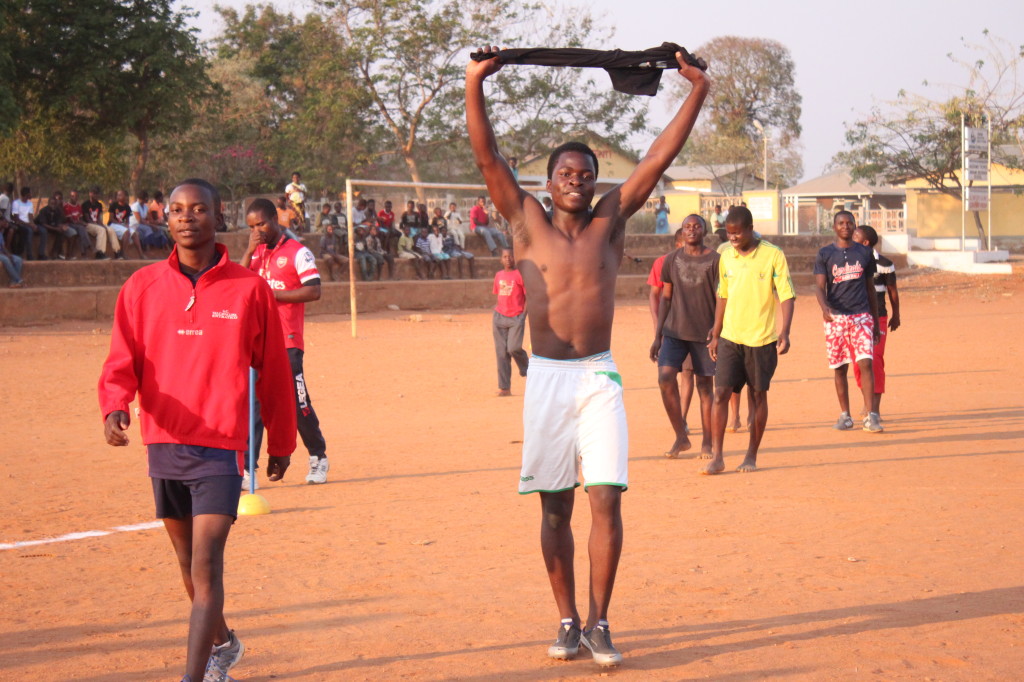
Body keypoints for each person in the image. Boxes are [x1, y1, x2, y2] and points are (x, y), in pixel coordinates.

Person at [467, 44, 709, 666]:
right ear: (548, 183)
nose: (576, 179)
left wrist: (696, 91)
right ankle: (567, 619)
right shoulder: (524, 218)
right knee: (555, 509)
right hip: (547, 377)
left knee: (605, 497)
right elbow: (487, 154)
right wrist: (476, 83)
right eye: (565, 173)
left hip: (598, 377)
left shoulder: (611, 220)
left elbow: (659, 155)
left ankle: (601, 621)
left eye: (585, 172)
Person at [98, 178, 297, 682]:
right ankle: (225, 644)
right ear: (167, 219)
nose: (187, 217)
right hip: (164, 441)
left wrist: (280, 440)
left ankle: (197, 676)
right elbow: (123, 359)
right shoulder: (141, 287)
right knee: (189, 569)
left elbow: (273, 369)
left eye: (199, 209)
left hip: (222, 448)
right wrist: (115, 405)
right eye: (178, 210)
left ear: (218, 215)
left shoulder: (249, 289)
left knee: (207, 566)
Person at [241, 198, 331, 485]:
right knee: (254, 404)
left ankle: (318, 456)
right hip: (258, 342)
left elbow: (314, 291)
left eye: (262, 224)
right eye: (252, 226)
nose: (258, 230)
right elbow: (238, 285)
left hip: (288, 340)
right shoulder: (253, 255)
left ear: (276, 220)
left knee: (296, 400)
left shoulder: (297, 252)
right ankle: (247, 468)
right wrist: (248, 250)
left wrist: (272, 295)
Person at [705, 206, 795, 475]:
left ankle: (751, 455)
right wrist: (716, 331)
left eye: (737, 233)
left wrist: (785, 330)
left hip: (761, 339)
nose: (732, 238)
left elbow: (787, 294)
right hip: (730, 338)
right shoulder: (725, 256)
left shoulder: (773, 255)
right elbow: (723, 294)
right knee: (720, 393)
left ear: (750, 228)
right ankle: (718, 456)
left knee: (757, 396)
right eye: (729, 233)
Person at [650, 215, 719, 459]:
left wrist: (718, 331)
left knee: (704, 387)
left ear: (704, 230)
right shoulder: (671, 260)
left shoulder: (716, 260)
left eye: (697, 226)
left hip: (705, 334)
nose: (692, 230)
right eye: (687, 227)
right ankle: (681, 435)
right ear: (682, 231)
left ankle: (708, 443)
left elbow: (723, 298)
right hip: (674, 332)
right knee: (665, 377)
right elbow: (665, 297)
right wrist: (657, 335)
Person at [813, 211, 882, 432]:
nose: (845, 226)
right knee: (840, 367)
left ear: (855, 226)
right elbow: (819, 287)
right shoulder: (825, 254)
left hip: (861, 315)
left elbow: (870, 287)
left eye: (849, 223)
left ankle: (871, 416)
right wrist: (824, 308)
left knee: (865, 363)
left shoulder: (865, 252)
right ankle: (846, 415)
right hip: (836, 318)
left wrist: (876, 322)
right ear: (834, 227)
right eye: (841, 223)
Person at [646, 227, 695, 441]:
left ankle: (683, 418)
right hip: (670, 328)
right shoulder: (663, 263)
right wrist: (658, 326)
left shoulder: (702, 260)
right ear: (677, 244)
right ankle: (677, 418)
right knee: (667, 375)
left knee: (688, 373)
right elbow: (655, 296)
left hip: (694, 327)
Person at [852, 225, 900, 421]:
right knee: (858, 363)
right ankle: (867, 399)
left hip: (877, 317)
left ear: (865, 243)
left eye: (855, 236)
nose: (850, 236)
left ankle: (875, 409)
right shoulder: (849, 262)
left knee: (876, 361)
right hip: (855, 318)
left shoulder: (885, 264)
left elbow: (893, 291)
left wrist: (896, 315)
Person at [491, 248, 528, 395]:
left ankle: (527, 369)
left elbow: (528, 297)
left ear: (515, 258)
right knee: (501, 353)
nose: (508, 259)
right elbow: (499, 294)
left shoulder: (520, 275)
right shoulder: (498, 275)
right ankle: (504, 387)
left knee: (513, 348)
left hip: (516, 317)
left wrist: (523, 316)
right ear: (501, 259)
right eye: (505, 257)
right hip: (499, 317)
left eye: (510, 256)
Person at [82, 187, 123, 259]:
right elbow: (88, 219)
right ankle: (100, 253)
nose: (96, 195)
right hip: (88, 225)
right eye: (94, 194)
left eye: (97, 194)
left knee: (110, 229)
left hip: (97, 224)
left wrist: (102, 225)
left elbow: (98, 219)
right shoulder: (85, 204)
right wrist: (99, 226)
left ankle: (117, 251)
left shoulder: (99, 205)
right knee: (102, 230)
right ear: (90, 194)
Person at [12, 187, 42, 260]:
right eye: (30, 193)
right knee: (29, 231)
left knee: (43, 231)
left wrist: (33, 225)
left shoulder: (30, 204)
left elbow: (30, 217)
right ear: (27, 194)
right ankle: (29, 255)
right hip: (20, 224)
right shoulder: (16, 203)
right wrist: (30, 225)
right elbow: (16, 219)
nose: (31, 195)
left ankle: (41, 254)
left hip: (28, 224)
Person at [428, 210, 452, 279]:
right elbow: (428, 245)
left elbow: (445, 238)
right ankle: (444, 275)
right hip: (434, 252)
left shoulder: (441, 235)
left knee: (448, 258)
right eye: (435, 230)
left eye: (438, 230)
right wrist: (429, 253)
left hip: (440, 252)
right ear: (433, 231)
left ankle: (449, 273)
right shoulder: (430, 236)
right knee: (441, 259)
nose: (436, 232)